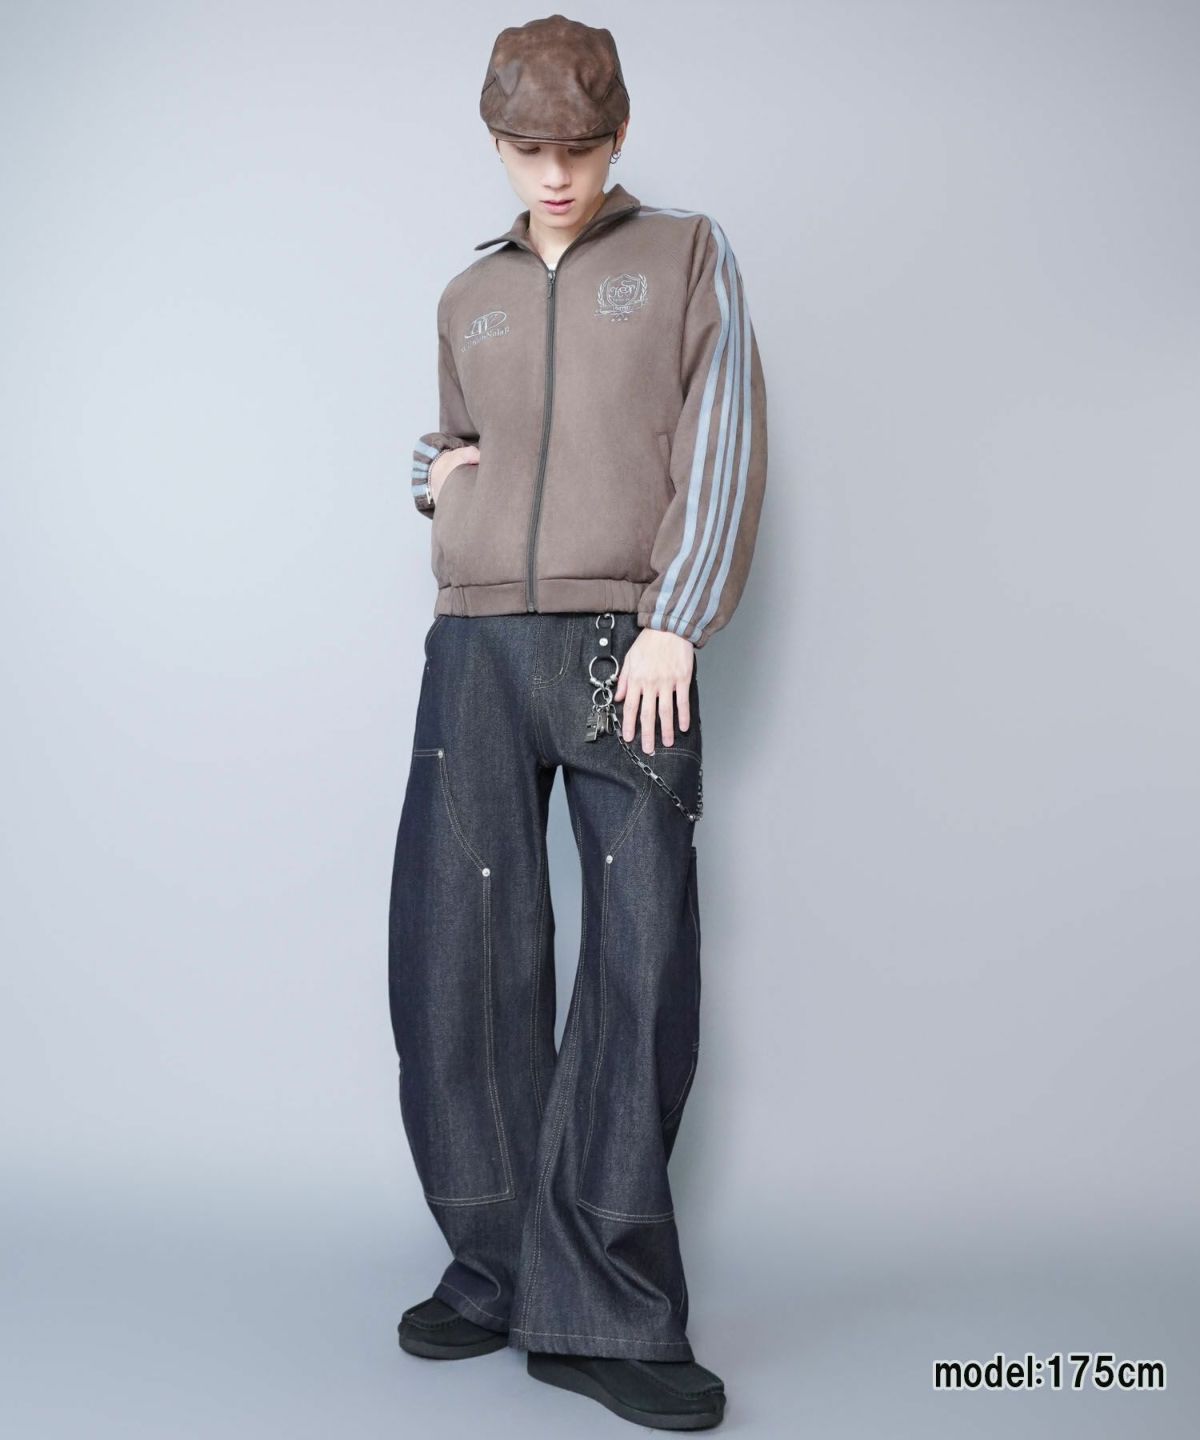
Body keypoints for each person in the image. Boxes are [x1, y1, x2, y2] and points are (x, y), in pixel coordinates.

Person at [389, 13, 767, 1430]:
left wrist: (680, 616)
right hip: (476, 642)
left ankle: (604, 1301)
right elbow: (455, 442)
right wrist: (433, 479)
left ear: (619, 136)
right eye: (528, 149)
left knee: (638, 960)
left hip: (629, 642)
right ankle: (496, 1270)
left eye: (582, 147)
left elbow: (721, 431)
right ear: (496, 142)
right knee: (459, 955)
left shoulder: (684, 254)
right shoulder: (467, 292)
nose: (555, 176)